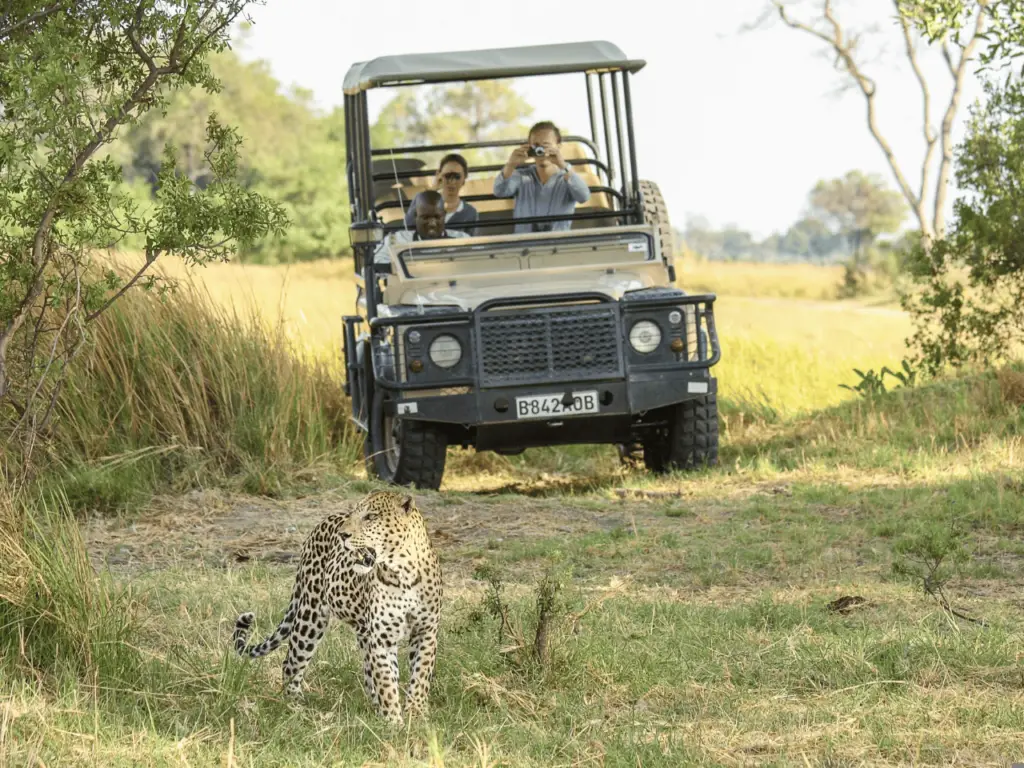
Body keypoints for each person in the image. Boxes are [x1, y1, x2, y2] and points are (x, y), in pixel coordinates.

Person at [493, 120, 591, 234]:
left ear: (558, 146)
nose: (541, 151)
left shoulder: (567, 176)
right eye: (536, 146)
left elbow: (584, 196)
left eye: (546, 145)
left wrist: (562, 165)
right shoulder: (521, 175)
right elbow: (499, 191)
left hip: (558, 244)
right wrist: (511, 164)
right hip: (524, 245)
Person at [375, 190, 469, 264]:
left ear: (444, 215)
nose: (432, 223)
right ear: (416, 216)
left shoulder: (462, 240)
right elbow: (376, 264)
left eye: (437, 217)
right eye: (426, 217)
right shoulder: (396, 240)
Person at [403, 153, 479, 235]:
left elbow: (471, 242)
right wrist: (432, 190)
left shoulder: (470, 212)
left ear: (464, 179)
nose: (452, 182)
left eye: (457, 177)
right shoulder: (422, 200)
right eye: (447, 176)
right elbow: (408, 227)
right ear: (439, 175)